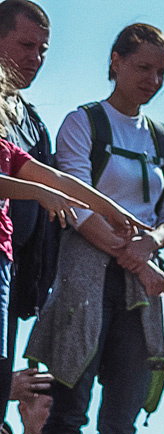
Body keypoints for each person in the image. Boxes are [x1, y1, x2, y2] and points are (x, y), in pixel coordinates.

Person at [26, 24, 164, 434]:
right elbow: (71, 202)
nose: (152, 80)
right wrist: (136, 257)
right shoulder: (83, 122)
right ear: (115, 61)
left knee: (121, 426)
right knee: (70, 403)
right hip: (84, 280)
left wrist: (150, 243)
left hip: (140, 290)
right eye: (142, 68)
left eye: (160, 72)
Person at [0, 0, 54, 374]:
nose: (35, 57)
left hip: (15, 270)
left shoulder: (33, 125)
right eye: (25, 45)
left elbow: (56, 196)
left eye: (42, 50)